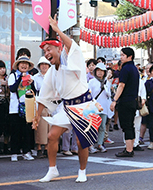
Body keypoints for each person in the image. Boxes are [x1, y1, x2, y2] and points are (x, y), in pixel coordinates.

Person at [34, 14, 102, 183]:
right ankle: (52, 170)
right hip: (67, 107)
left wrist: (57, 30)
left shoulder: (71, 60)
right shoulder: (51, 71)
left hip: (84, 105)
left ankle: (82, 171)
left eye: (50, 49)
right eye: (45, 51)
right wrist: (37, 115)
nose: (47, 53)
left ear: (59, 49)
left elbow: (73, 47)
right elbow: (44, 94)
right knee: (52, 136)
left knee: (81, 141)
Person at [110, 47, 139, 157]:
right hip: (132, 101)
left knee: (126, 126)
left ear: (129, 56)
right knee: (130, 125)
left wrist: (114, 100)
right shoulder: (134, 68)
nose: (120, 57)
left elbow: (121, 85)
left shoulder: (126, 69)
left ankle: (129, 150)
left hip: (125, 101)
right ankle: (130, 148)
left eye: (122, 55)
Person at [8, 55, 36, 162]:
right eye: (21, 63)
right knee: (15, 130)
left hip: (27, 108)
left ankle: (26, 151)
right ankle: (14, 152)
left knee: (27, 131)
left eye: (26, 64)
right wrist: (21, 77)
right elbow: (12, 89)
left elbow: (34, 92)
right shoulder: (13, 76)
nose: (24, 65)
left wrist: (31, 83)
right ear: (18, 65)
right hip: (15, 108)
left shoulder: (31, 77)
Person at [88, 63, 113, 153]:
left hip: (104, 107)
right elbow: (89, 95)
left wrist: (106, 88)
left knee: (102, 126)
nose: (100, 73)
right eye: (98, 71)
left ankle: (100, 143)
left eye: (102, 71)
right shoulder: (91, 82)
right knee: (93, 127)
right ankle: (90, 145)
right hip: (94, 107)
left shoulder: (107, 82)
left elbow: (109, 94)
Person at [33, 56, 51, 158]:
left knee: (50, 126)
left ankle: (48, 148)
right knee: (40, 126)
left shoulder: (52, 76)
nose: (44, 66)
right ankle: (39, 147)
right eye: (42, 64)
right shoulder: (35, 77)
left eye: (46, 64)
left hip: (51, 103)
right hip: (40, 103)